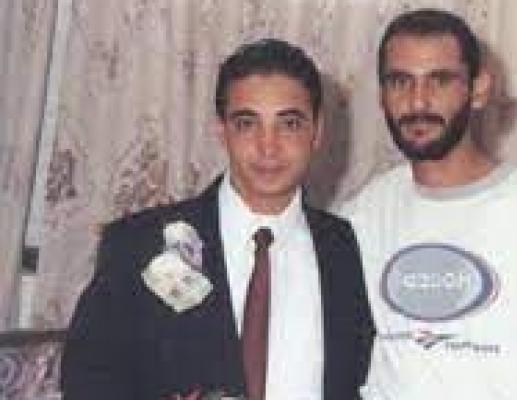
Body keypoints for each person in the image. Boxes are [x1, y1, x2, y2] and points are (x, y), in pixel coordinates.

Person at [62, 38, 374, 400]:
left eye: (289, 124)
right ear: (221, 130)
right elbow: (88, 383)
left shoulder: (345, 247)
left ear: (317, 132)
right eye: (247, 123)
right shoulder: (137, 245)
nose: (268, 146)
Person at [340, 9, 517, 399]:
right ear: (381, 95)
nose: (417, 101)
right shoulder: (361, 216)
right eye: (400, 81)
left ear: (479, 90)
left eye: (440, 81)